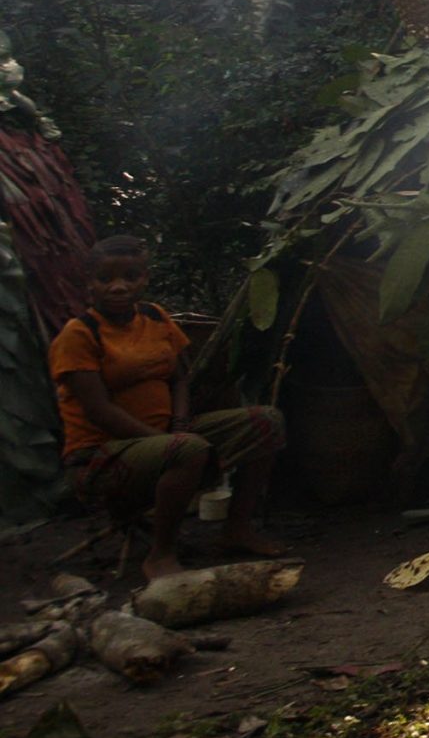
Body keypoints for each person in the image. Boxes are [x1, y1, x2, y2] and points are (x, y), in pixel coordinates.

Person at [49, 236, 287, 580]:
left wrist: (179, 423)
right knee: (186, 449)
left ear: (145, 278)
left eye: (130, 277)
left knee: (267, 420)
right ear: (89, 283)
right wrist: (168, 442)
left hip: (164, 438)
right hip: (101, 457)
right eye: (106, 279)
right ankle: (161, 555)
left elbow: (179, 379)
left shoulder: (156, 318)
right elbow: (99, 410)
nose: (119, 287)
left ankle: (237, 529)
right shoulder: (79, 335)